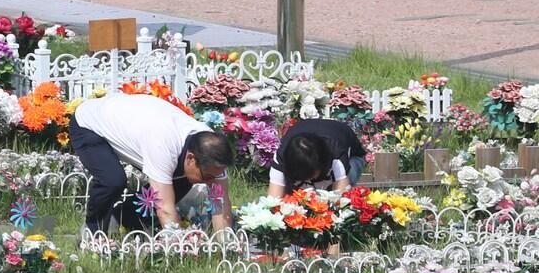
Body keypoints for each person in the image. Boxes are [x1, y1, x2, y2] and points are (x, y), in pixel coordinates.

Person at [68, 93, 235, 233]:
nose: (209, 183)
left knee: (181, 182)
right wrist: (182, 249)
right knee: (113, 181)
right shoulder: (163, 145)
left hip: (136, 126)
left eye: (214, 177)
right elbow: (165, 209)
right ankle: (92, 233)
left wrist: (225, 248)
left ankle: (127, 218)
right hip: (90, 123)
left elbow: (219, 204)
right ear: (191, 158)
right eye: (206, 176)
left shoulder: (213, 151)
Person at [267, 119, 367, 197]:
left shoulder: (336, 151)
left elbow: (341, 196)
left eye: (311, 174)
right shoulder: (282, 155)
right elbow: (274, 198)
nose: (310, 179)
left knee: (339, 187)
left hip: (353, 157)